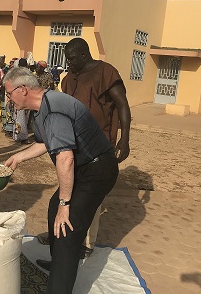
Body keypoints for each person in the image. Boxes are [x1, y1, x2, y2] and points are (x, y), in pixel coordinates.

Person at [3, 67, 118, 293]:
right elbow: (45, 143)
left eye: (8, 93)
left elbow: (65, 159)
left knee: (67, 226)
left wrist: (66, 204)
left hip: (97, 170)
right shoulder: (43, 107)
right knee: (54, 207)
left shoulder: (54, 109)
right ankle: (59, 266)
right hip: (85, 167)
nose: (7, 99)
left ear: (23, 89)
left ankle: (59, 285)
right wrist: (18, 157)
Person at [61, 37, 131, 257]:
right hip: (74, 145)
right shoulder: (68, 79)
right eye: (67, 59)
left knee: (91, 197)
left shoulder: (106, 72)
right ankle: (68, 237)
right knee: (70, 192)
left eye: (72, 58)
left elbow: (122, 106)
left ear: (84, 55)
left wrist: (125, 138)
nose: (69, 63)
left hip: (99, 147)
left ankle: (86, 244)